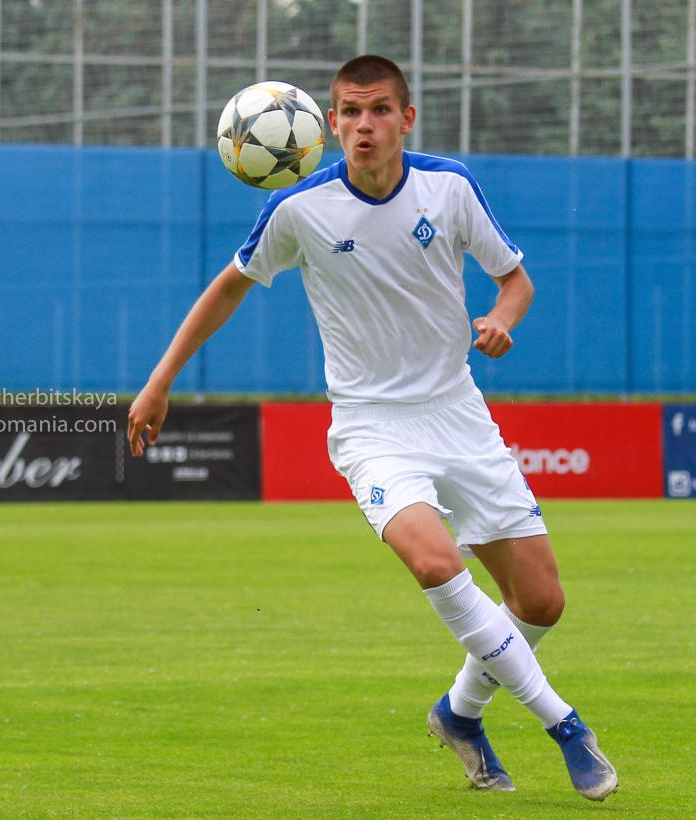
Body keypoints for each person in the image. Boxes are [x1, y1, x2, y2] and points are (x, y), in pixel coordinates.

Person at [126, 54, 617, 802]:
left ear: (406, 118)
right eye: (351, 112)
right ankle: (565, 725)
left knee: (542, 602)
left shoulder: (449, 186)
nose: (365, 125)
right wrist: (160, 381)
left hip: (458, 415)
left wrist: (500, 319)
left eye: (379, 110)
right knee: (435, 564)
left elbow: (515, 279)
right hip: (371, 428)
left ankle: (459, 713)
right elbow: (227, 289)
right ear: (329, 124)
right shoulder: (299, 207)